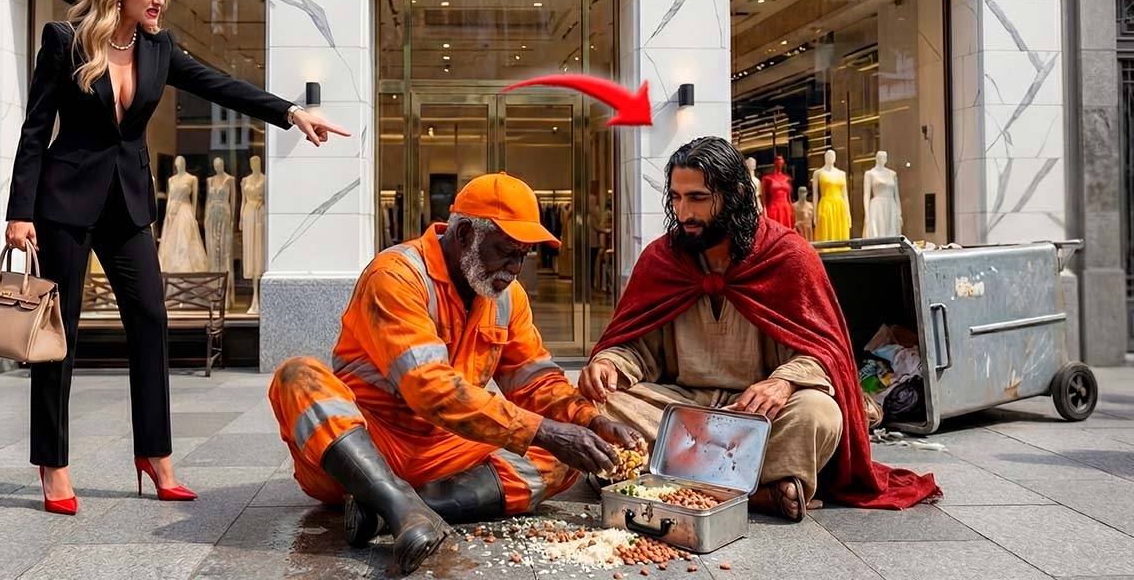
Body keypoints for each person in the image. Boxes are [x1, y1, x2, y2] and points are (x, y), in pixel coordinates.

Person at [3, 0, 350, 516]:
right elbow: (35, 131)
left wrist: (290, 113)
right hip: (63, 206)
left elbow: (220, 84)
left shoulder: (157, 49)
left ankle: (156, 457)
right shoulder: (64, 43)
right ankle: (54, 467)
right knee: (58, 337)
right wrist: (20, 213)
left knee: (150, 322)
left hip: (129, 207)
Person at [268, 172, 642, 576]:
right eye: (505, 251)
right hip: (364, 448)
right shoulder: (395, 275)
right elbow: (429, 388)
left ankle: (395, 511)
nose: (514, 268)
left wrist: (590, 422)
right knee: (298, 376)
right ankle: (392, 500)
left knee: (565, 459)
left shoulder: (506, 296)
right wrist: (545, 430)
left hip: (443, 453)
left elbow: (535, 380)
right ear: (464, 233)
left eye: (523, 255)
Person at [578, 137, 939, 522]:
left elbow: (827, 352)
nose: (684, 213)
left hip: (760, 416)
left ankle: (673, 479)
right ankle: (755, 492)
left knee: (819, 413)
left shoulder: (788, 255)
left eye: (698, 198)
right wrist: (611, 364)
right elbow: (637, 347)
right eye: (677, 198)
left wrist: (783, 383)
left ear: (734, 195)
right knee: (597, 404)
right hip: (682, 408)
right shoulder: (662, 260)